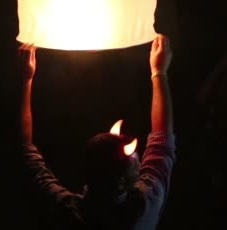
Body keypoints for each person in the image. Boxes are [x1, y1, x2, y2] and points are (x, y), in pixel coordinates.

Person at [19, 34, 176, 229]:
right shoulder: (147, 205)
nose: (139, 159)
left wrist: (25, 79)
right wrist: (159, 72)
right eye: (134, 160)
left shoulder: (66, 212)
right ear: (121, 182)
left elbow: (25, 153)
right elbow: (162, 144)